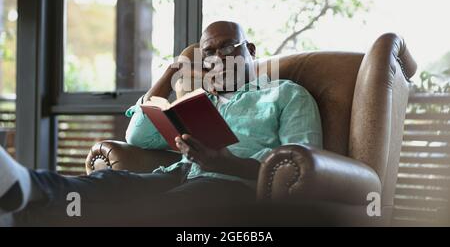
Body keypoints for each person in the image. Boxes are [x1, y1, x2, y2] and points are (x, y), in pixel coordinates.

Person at [0, 21, 322, 226]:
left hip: (231, 186)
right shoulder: (200, 102)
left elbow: (304, 169)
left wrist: (227, 163)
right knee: (109, 185)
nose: (219, 57)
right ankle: (26, 186)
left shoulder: (285, 94)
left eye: (228, 47)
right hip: (177, 175)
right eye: (209, 52)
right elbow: (136, 134)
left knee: (148, 210)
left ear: (249, 50)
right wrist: (172, 73)